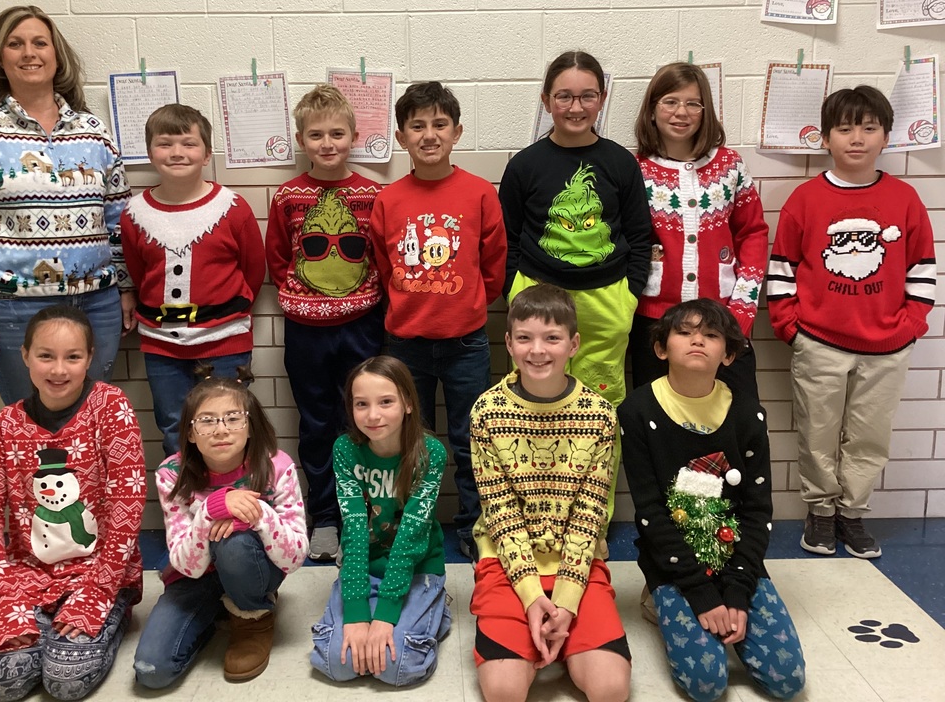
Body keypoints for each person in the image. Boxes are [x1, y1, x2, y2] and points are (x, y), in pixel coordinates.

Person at [767, 86, 936, 558]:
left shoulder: (904, 198)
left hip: (887, 346)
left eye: (868, 128)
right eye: (844, 128)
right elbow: (782, 268)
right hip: (818, 342)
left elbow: (922, 269)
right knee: (817, 431)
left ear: (886, 137)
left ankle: (853, 513)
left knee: (868, 436)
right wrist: (790, 327)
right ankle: (820, 512)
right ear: (825, 138)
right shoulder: (805, 199)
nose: (856, 138)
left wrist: (909, 327)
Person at [0, 5, 134, 405]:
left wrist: (125, 289)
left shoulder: (92, 132)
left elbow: (117, 219)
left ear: (56, 55)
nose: (29, 53)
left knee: (94, 421)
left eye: (39, 43)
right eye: (15, 44)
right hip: (15, 311)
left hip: (97, 303)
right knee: (31, 428)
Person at [619, 299, 805, 702]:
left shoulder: (747, 414)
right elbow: (650, 514)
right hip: (673, 563)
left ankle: (731, 603)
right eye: (684, 332)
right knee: (706, 685)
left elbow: (757, 511)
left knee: (786, 680)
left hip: (736, 557)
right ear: (661, 348)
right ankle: (658, 599)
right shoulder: (637, 411)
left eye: (711, 335)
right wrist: (701, 595)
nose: (697, 340)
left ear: (730, 353)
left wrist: (737, 592)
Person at [0, 305, 144, 701]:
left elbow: (127, 503)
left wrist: (97, 592)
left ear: (90, 358)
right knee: (5, 682)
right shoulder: (7, 424)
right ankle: (44, 621)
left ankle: (111, 614)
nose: (58, 370)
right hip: (27, 575)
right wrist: (3, 603)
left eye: (73, 357)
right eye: (46, 356)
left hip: (100, 573)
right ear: (25, 356)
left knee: (64, 682)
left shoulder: (111, 408)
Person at [469, 284, 630, 702]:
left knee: (610, 689)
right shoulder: (487, 412)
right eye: (524, 337)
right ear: (508, 342)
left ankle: (566, 638)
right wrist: (530, 597)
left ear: (574, 344)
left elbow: (590, 513)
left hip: (576, 562)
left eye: (552, 338)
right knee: (503, 693)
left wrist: (567, 602)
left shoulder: (599, 415)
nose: (537, 350)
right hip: (506, 562)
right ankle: (528, 634)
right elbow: (500, 513)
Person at [370, 81, 506, 559]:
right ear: (401, 136)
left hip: (466, 342)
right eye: (417, 126)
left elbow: (493, 267)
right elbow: (386, 268)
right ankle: (415, 528)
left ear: (457, 131)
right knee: (410, 443)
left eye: (439, 125)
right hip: (405, 345)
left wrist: (464, 304)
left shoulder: (480, 193)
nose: (429, 135)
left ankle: (474, 526)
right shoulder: (388, 201)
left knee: (471, 440)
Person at [266, 84, 383, 561]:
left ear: (354, 135)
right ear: (301, 139)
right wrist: (302, 298)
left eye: (337, 133)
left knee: (368, 420)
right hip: (306, 331)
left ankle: (369, 514)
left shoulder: (374, 194)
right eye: (316, 135)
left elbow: (384, 256)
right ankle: (327, 517)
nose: (327, 143)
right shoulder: (288, 197)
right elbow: (277, 257)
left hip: (364, 326)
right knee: (316, 423)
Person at [134, 369, 308, 686]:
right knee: (151, 670)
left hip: (252, 565)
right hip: (196, 577)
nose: (221, 430)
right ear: (189, 432)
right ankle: (210, 617)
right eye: (207, 420)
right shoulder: (171, 474)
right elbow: (185, 564)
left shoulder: (275, 465)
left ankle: (252, 613)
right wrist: (211, 510)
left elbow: (295, 557)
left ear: (250, 426)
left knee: (234, 542)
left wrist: (256, 514)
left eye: (233, 418)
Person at [499, 50, 652, 410]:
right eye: (564, 96)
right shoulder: (524, 165)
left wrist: (629, 295)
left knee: (601, 405)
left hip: (606, 303)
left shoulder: (620, 163)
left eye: (587, 96)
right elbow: (505, 238)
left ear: (602, 99)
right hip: (536, 296)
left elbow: (640, 235)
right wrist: (512, 289)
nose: (575, 107)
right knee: (533, 398)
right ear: (546, 101)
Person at [120, 104, 266, 456]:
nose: (177, 153)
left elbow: (253, 270)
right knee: (174, 426)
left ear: (207, 154)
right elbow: (140, 273)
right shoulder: (134, 213)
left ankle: (233, 504)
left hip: (224, 342)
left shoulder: (232, 207)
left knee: (230, 428)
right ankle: (184, 507)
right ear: (150, 151)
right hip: (161, 346)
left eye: (188, 143)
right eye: (165, 143)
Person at [629, 62, 768, 398]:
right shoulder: (635, 170)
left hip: (722, 317)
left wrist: (742, 309)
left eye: (693, 103)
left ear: (706, 111)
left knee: (737, 412)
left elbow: (753, 234)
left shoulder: (729, 165)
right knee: (658, 418)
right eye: (670, 102)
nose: (682, 112)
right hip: (654, 322)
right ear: (652, 110)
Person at [310, 356, 451, 686]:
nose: (372, 415)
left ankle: (436, 606)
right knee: (337, 664)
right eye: (361, 404)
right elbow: (355, 531)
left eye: (386, 402)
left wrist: (385, 616)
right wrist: (358, 613)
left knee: (395, 667)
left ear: (407, 404)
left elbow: (411, 539)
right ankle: (390, 610)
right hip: (366, 564)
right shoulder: (345, 449)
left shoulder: (429, 453)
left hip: (416, 567)